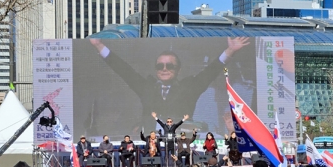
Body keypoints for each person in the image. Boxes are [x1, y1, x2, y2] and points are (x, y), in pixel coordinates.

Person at [89, 37, 250, 129]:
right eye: (160, 66)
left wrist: (230, 51)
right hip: (151, 141)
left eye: (169, 66)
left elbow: (210, 71)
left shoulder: (189, 88)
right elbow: (124, 70)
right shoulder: (146, 87)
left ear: (178, 69)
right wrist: (99, 45)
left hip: (182, 139)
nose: (164, 69)